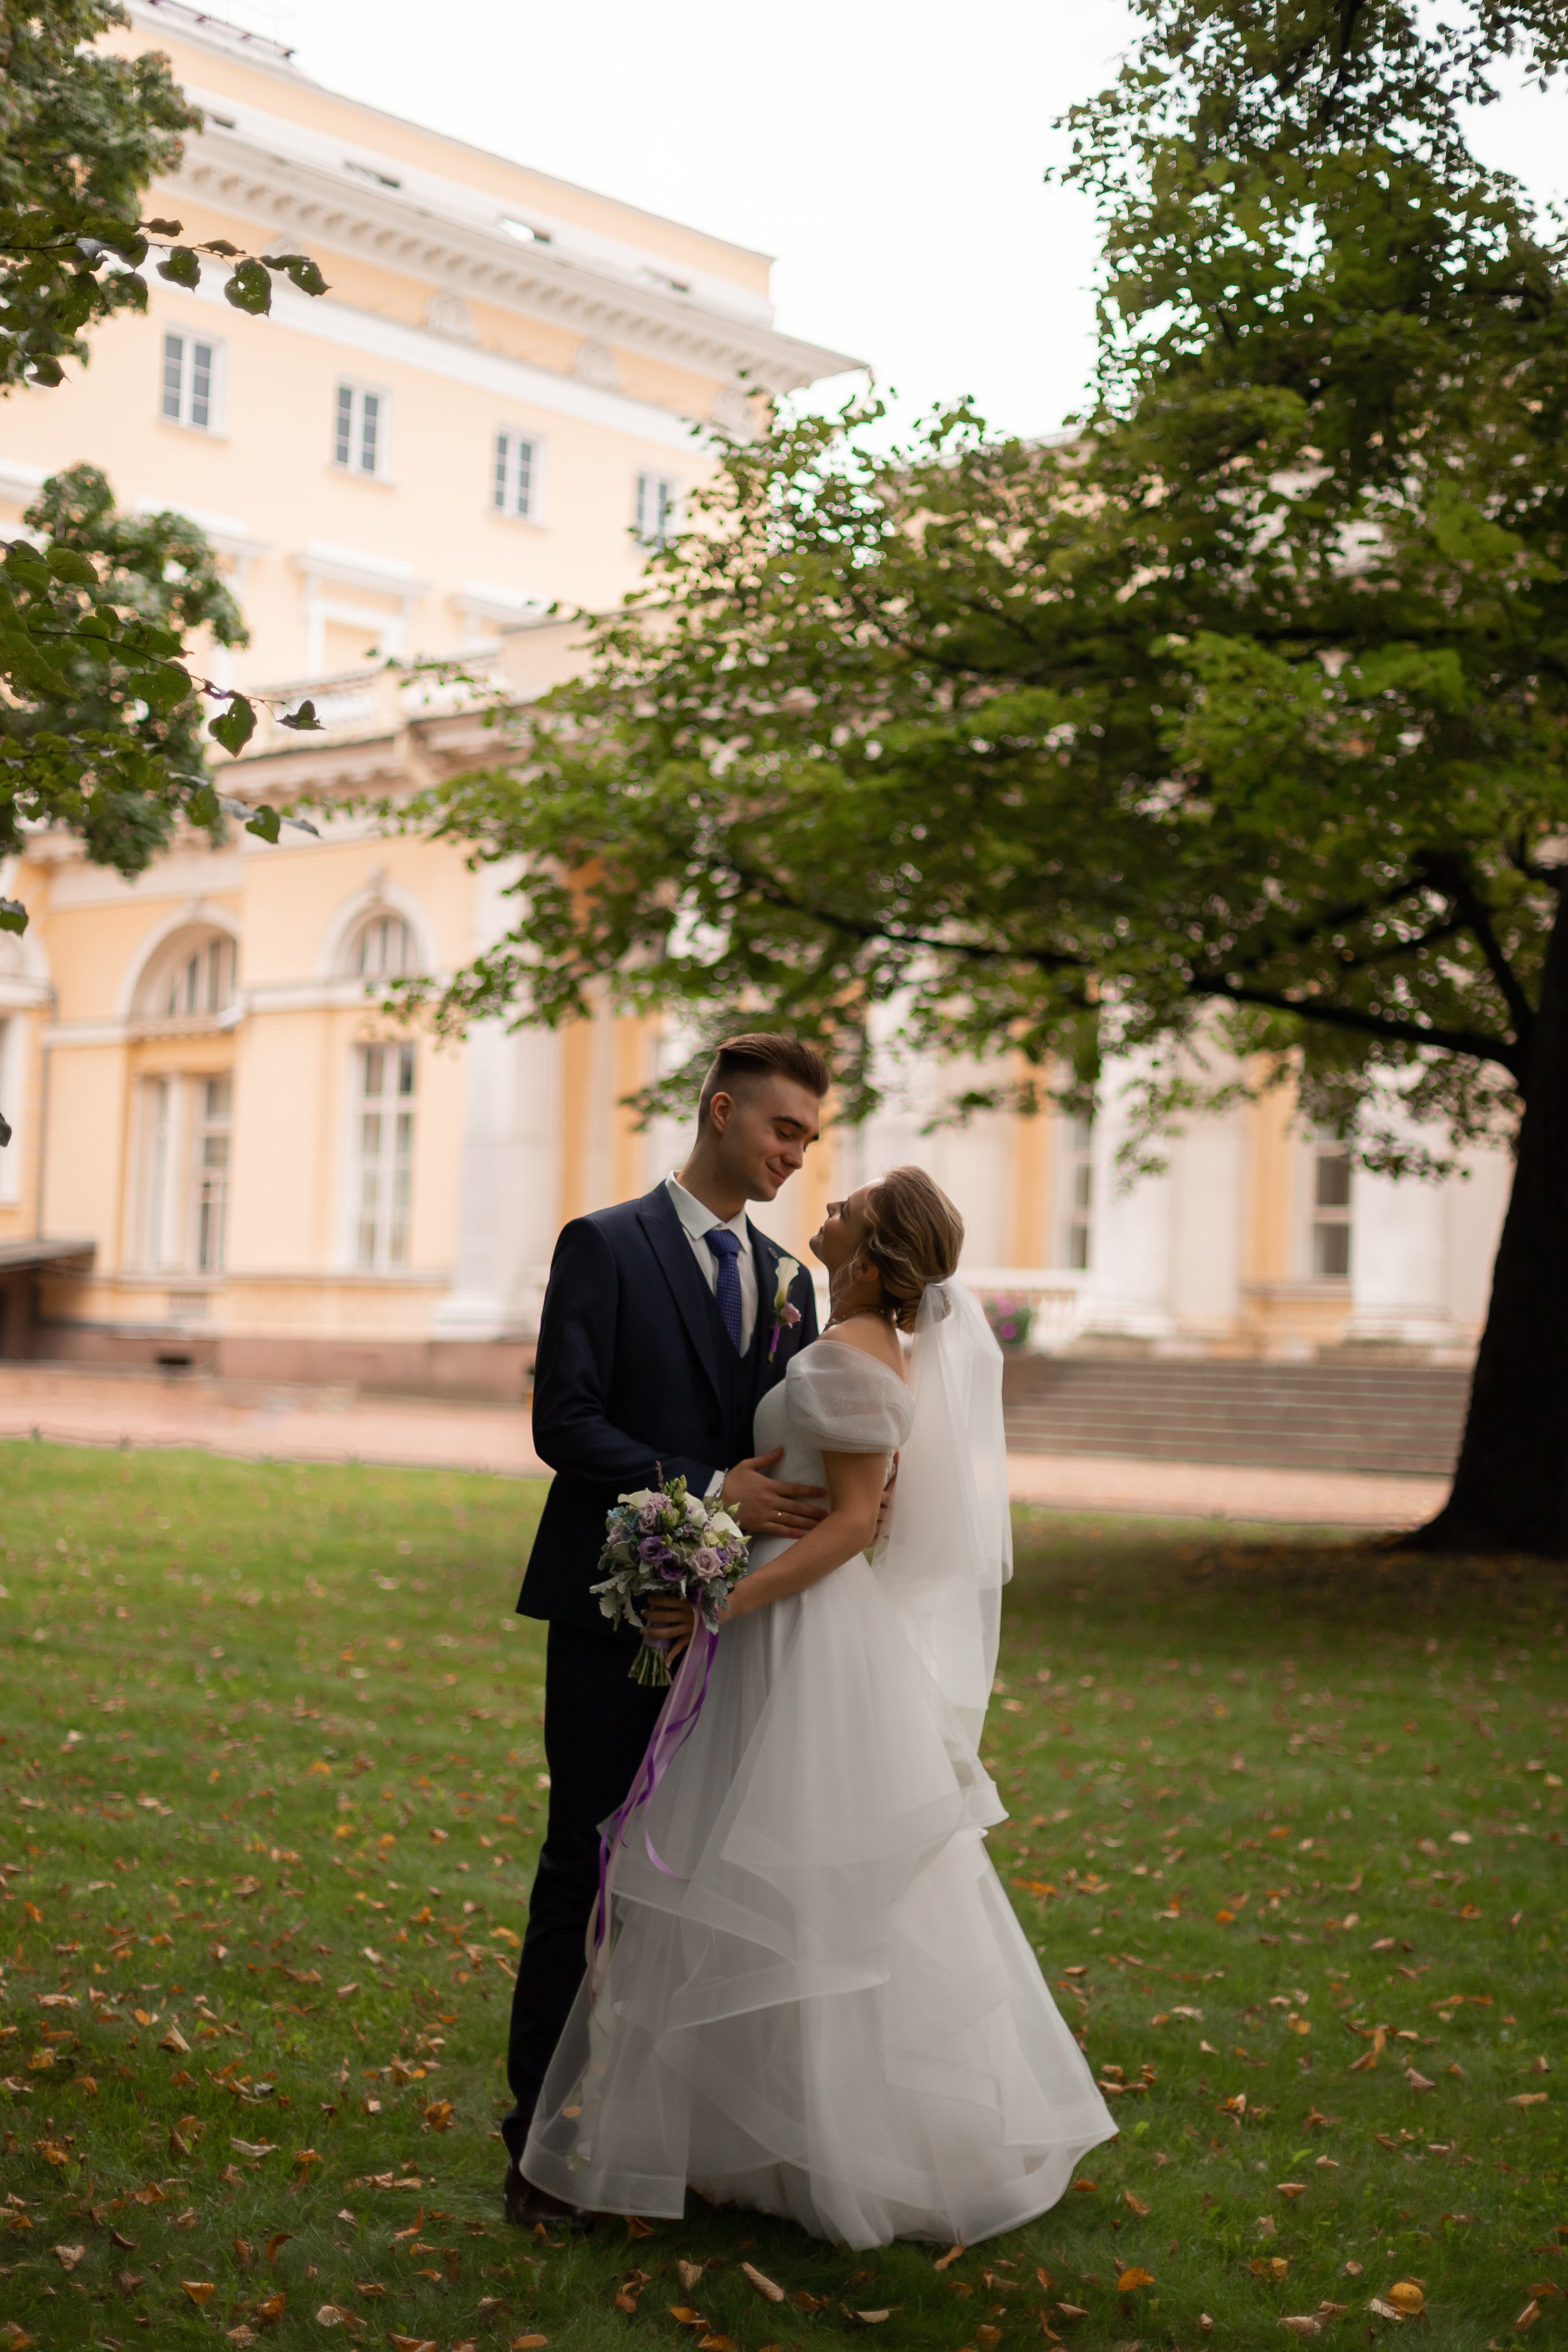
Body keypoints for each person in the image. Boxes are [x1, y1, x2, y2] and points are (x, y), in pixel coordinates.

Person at [520, 1167, 1117, 2248]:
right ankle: (755, 2138)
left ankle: (821, 2145)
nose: (826, 1198)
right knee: (766, 1871)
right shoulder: (846, 1334)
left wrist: (720, 1606)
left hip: (790, 1625)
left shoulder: (846, 1352)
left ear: (876, 1258)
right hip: (789, 1614)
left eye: (851, 1207)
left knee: (781, 1873)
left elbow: (847, 1524)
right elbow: (857, 1500)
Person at [500, 1033, 832, 2225]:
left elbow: (793, 1443)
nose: (797, 1155)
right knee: (586, 1871)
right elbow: (565, 1422)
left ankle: (676, 2137)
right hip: (611, 1610)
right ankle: (538, 2146)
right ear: (721, 1111)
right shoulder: (604, 1244)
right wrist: (701, 1487)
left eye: (809, 1137)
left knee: (703, 1884)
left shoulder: (790, 1279)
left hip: (733, 1629)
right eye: (784, 1129)